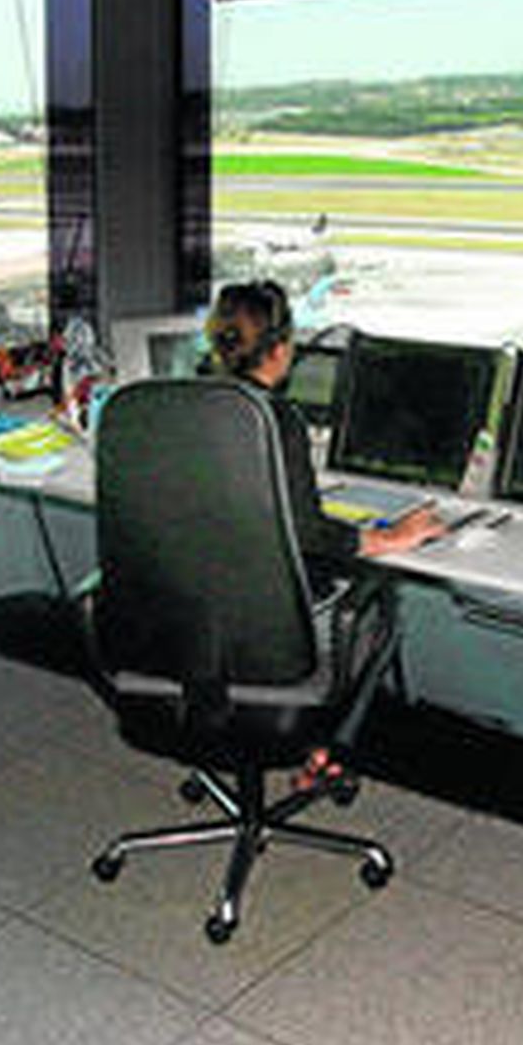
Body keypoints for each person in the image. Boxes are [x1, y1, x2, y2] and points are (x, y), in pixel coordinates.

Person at [204, 280, 446, 785]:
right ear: (281, 347)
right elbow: (308, 533)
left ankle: (283, 737)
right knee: (382, 608)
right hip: (268, 630)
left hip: (192, 620)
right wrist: (391, 537)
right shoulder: (273, 419)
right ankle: (322, 751)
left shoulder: (189, 406)